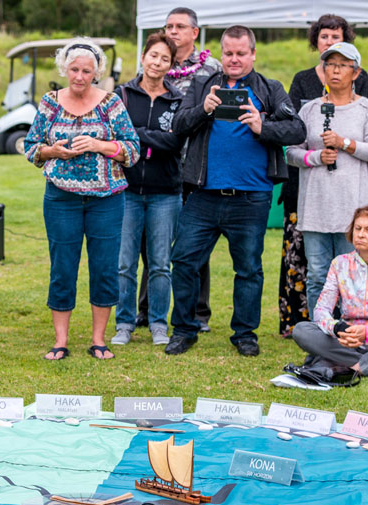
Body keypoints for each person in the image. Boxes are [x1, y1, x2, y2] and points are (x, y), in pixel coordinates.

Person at [167, 25, 305, 357]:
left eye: (241, 53)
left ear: (253, 54)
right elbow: (178, 125)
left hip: (250, 196)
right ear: (221, 53)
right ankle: (184, 330)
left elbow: (298, 128)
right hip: (202, 194)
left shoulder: (269, 88)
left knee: (248, 269)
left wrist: (263, 126)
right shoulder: (203, 84)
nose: (234, 59)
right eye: (228, 53)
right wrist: (205, 108)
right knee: (183, 261)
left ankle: (244, 334)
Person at [23, 37, 140, 360]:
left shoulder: (111, 103)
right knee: (63, 267)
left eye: (86, 71)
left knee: (104, 267)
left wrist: (99, 145)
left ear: (96, 72)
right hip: (61, 198)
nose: (78, 76)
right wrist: (52, 151)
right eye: (73, 69)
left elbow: (132, 149)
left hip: (107, 199)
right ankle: (60, 341)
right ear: (64, 68)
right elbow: (30, 146)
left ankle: (98, 340)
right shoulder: (49, 102)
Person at [281, 14, 368, 337]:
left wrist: (346, 144)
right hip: (316, 207)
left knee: (351, 275)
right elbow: (291, 153)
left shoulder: (366, 110)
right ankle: (321, 334)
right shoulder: (309, 110)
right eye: (330, 64)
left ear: (356, 73)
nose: (335, 70)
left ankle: (349, 333)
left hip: (353, 209)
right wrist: (316, 156)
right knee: (319, 274)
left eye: (343, 65)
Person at [145, 6, 221, 333]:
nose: (173, 31)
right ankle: (149, 308)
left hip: (196, 165)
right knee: (153, 243)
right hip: (159, 164)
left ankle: (196, 311)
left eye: (180, 26)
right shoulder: (154, 61)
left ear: (194, 33)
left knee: (193, 241)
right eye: (168, 26)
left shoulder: (211, 68)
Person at [112, 30, 184, 347]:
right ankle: (124, 323)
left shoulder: (178, 99)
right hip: (126, 191)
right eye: (153, 55)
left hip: (165, 193)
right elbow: (116, 134)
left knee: (159, 264)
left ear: (171, 65)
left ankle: (158, 324)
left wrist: (137, 135)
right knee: (125, 263)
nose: (157, 62)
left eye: (164, 58)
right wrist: (150, 136)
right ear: (143, 57)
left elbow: (175, 141)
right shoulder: (121, 95)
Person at [290, 205, 368, 379]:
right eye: (357, 228)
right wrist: (339, 329)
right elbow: (321, 310)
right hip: (345, 340)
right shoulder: (340, 264)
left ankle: (344, 364)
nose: (360, 234)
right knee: (301, 330)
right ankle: (367, 365)